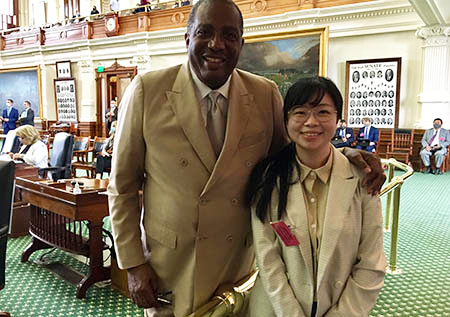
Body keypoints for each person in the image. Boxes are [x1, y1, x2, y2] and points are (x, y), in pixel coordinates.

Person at [107, 0, 385, 316]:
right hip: (170, 267)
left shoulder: (264, 93)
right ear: (187, 39)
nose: (217, 44)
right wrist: (132, 262)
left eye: (229, 34)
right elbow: (123, 187)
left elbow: (293, 156)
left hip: (235, 267)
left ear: (241, 42)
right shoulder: (148, 90)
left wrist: (348, 155)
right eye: (204, 32)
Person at [247, 77, 386, 317]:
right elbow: (268, 260)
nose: (311, 122)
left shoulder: (363, 178)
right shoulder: (268, 178)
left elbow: (371, 265)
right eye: (300, 112)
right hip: (275, 308)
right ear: (286, 120)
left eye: (323, 112)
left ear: (337, 119)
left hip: (341, 308)